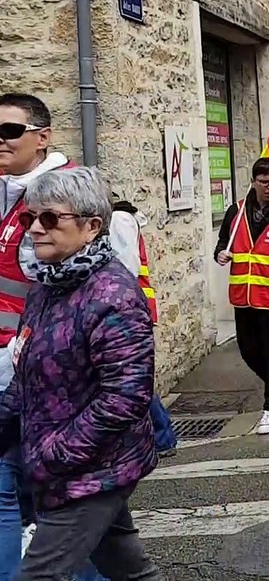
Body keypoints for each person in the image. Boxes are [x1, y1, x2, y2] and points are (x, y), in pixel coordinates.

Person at [0, 167, 161, 579]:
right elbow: (27, 374)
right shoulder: (47, 287)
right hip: (63, 468)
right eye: (28, 218)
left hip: (92, 471)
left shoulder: (113, 297)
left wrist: (55, 456)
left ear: (91, 227)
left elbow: (126, 397)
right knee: (127, 568)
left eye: (50, 218)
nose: (35, 228)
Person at [0, 93, 76, 576]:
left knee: (50, 496)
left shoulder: (56, 201)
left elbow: (77, 294)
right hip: (9, 371)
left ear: (42, 138)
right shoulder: (8, 193)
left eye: (10, 132)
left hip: (37, 372)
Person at [214, 157, 269, 436]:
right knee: (247, 348)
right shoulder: (237, 211)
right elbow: (222, 242)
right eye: (265, 182)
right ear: (253, 182)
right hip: (245, 296)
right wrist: (220, 253)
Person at [109, 196, 177, 457]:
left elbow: (126, 267)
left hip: (127, 309)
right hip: (129, 307)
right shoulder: (120, 218)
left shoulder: (118, 220)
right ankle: (159, 437)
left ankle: (162, 436)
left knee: (132, 378)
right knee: (131, 377)